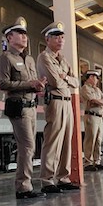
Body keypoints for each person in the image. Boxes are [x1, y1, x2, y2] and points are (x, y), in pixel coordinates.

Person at [0, 19, 47, 199]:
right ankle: (23, 187)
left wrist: (38, 85)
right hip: (19, 108)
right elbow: (3, 83)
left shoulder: (30, 59)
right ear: (10, 37)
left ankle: (26, 184)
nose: (25, 37)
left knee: (29, 147)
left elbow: (32, 81)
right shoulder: (6, 58)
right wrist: (30, 83)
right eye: (20, 34)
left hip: (32, 106)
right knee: (27, 146)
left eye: (25, 34)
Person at [36, 23, 80, 193]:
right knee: (53, 141)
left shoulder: (63, 60)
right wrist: (66, 78)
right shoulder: (44, 58)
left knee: (66, 141)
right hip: (54, 101)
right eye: (56, 37)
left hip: (67, 101)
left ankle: (63, 177)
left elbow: (76, 82)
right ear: (47, 39)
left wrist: (66, 78)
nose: (60, 40)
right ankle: (47, 180)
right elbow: (54, 82)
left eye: (62, 37)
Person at [81, 70, 103, 171]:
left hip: (99, 117)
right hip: (91, 116)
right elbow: (92, 100)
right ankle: (88, 162)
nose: (97, 80)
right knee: (90, 139)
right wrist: (100, 102)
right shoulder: (85, 88)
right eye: (96, 78)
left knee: (98, 140)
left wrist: (99, 102)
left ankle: (97, 161)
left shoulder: (97, 90)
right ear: (91, 77)